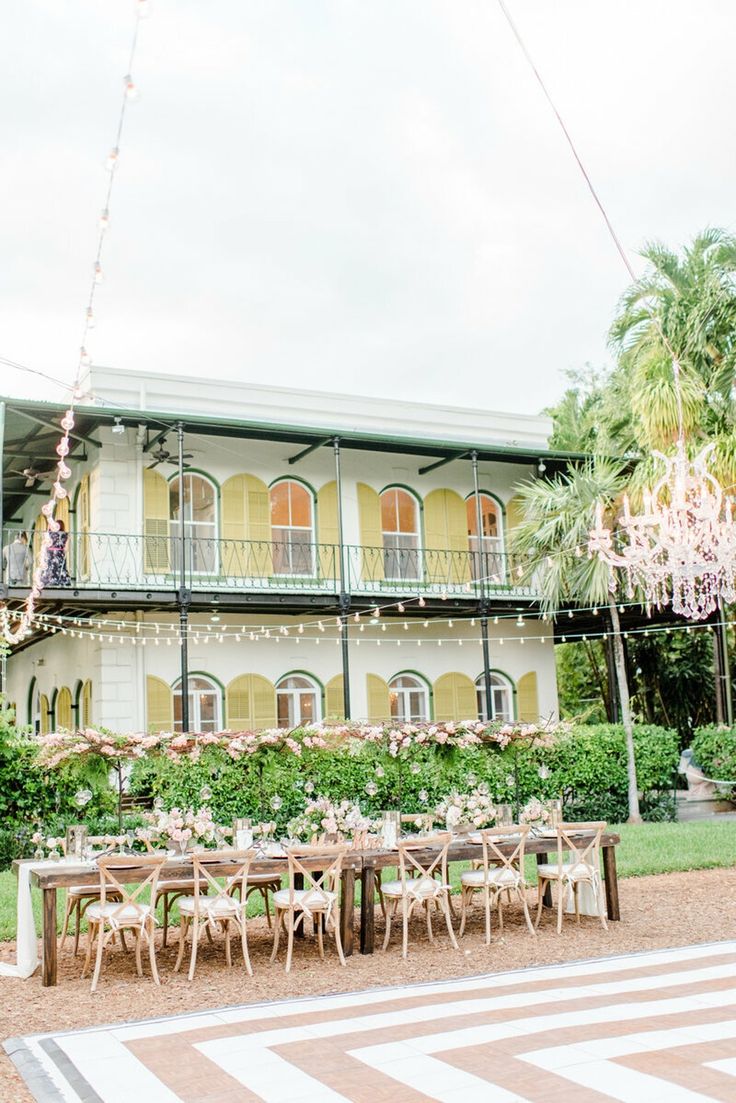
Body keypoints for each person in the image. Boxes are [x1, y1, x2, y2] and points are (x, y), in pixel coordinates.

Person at [40, 520, 71, 586]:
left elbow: (44, 545)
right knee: (60, 567)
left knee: (49, 567)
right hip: (60, 553)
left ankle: (49, 580)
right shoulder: (65, 534)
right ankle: (61, 580)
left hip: (50, 553)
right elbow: (66, 549)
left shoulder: (48, 534)